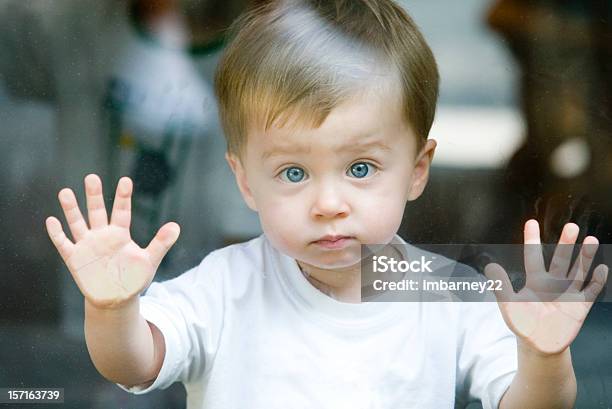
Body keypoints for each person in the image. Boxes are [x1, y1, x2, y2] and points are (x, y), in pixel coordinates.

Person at [45, 0, 609, 408]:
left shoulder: (450, 297)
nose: (329, 203)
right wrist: (114, 309)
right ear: (245, 182)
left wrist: (542, 355)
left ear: (417, 171)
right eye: (293, 172)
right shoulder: (224, 286)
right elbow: (133, 363)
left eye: (360, 168)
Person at [0, 0, 261, 337]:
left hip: (198, 336)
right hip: (90, 335)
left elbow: (245, 244)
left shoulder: (266, 55)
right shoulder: (70, 26)